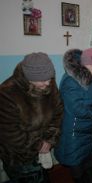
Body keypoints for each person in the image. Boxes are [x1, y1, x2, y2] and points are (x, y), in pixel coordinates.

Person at [0, 52, 63, 182]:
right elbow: (11, 134)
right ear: (29, 78)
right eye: (42, 80)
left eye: (50, 78)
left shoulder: (49, 83)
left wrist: (49, 139)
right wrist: (38, 145)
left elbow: (58, 113)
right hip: (19, 157)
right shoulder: (7, 93)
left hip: (42, 149)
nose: (47, 83)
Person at [54, 48, 92, 183]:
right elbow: (76, 108)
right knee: (78, 168)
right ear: (88, 65)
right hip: (73, 132)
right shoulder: (70, 81)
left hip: (87, 129)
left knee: (88, 164)